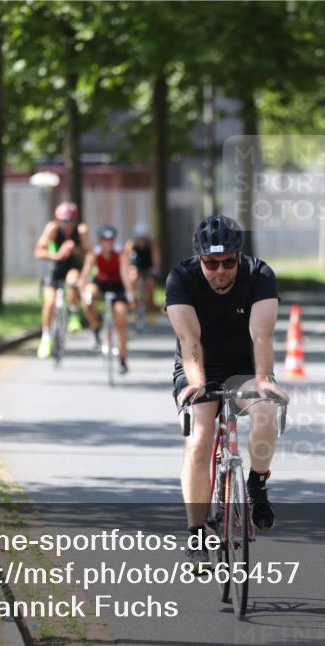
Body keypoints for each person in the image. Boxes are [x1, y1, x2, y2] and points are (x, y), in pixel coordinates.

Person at [165, 214, 287, 571]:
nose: (220, 270)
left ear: (239, 256)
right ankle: (197, 533)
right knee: (199, 439)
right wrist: (198, 384)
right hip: (197, 368)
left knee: (265, 413)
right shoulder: (181, 278)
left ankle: (256, 483)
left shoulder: (259, 275)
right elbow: (189, 339)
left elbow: (261, 335)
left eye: (228, 262)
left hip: (246, 367)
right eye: (211, 263)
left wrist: (263, 379)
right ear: (199, 259)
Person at [34, 201, 88, 359]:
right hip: (55, 269)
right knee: (49, 302)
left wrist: (75, 249)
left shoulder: (81, 231)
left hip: (73, 267)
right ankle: (46, 337)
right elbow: (38, 251)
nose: (67, 226)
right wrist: (56, 255)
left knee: (73, 280)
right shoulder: (52, 229)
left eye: (70, 222)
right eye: (64, 222)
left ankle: (73, 314)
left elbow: (89, 254)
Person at [81, 225, 132, 374]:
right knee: (89, 297)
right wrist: (82, 290)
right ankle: (95, 329)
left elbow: (124, 274)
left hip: (117, 285)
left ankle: (123, 359)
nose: (108, 243)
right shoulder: (94, 253)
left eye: (110, 240)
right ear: (100, 241)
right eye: (104, 240)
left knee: (121, 321)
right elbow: (85, 274)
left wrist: (129, 293)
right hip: (101, 283)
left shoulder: (120, 253)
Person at [125, 222, 160, 320]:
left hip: (147, 265)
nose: (142, 241)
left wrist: (155, 269)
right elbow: (126, 260)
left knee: (150, 284)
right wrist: (128, 269)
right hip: (136, 265)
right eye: (140, 238)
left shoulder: (152, 244)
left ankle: (150, 307)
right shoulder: (131, 244)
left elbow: (156, 259)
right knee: (132, 278)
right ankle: (132, 302)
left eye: (144, 238)